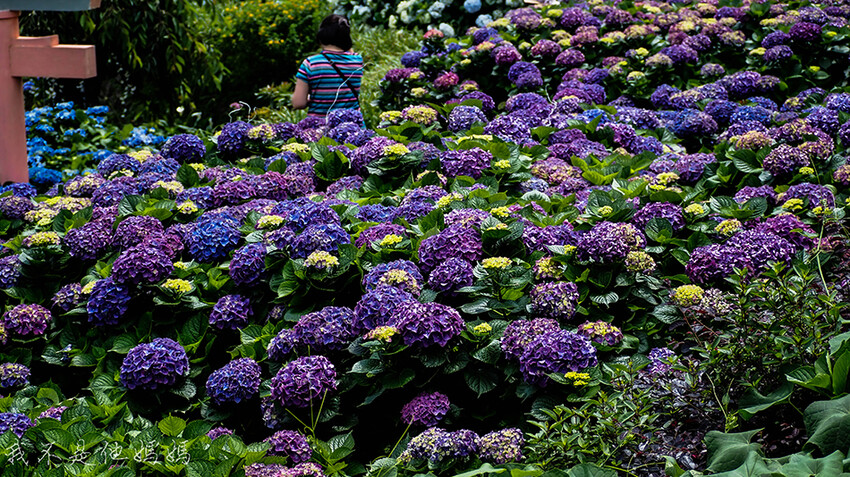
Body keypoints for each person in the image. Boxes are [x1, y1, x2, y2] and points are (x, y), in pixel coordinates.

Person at [291, 15, 363, 117]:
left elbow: (298, 103)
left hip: (320, 129)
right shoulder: (357, 61)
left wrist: (314, 98)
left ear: (321, 35)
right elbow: (349, 50)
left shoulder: (310, 64)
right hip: (353, 129)